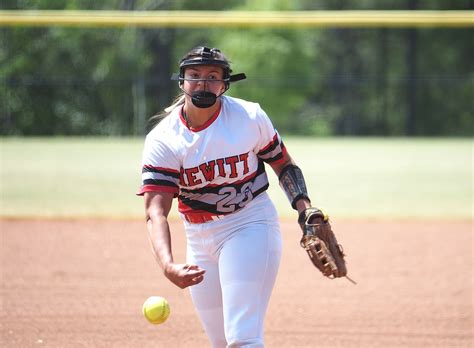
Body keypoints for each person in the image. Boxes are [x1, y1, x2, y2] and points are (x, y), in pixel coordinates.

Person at [137, 46, 317, 348]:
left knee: (242, 339)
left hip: (249, 224)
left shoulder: (248, 116)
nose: (203, 83)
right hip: (197, 237)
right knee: (221, 343)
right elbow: (156, 210)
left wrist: (305, 211)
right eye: (194, 76)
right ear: (181, 81)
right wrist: (167, 264)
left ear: (225, 83)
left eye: (212, 76)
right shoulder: (164, 139)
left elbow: (283, 163)